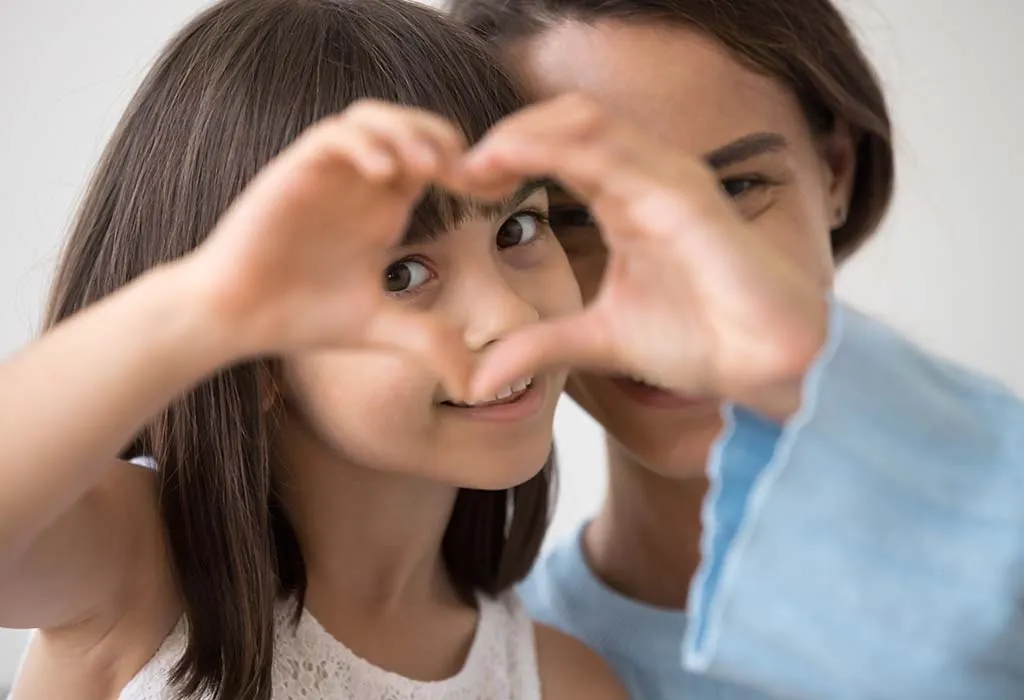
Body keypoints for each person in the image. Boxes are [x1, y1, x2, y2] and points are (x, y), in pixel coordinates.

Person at [0, 1, 630, 698]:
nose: (510, 315)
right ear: (254, 344)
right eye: (402, 274)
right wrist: (200, 311)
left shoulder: (564, 682)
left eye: (517, 230)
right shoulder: (136, 570)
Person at [448, 0, 1024, 698]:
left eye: (733, 188)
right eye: (569, 217)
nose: (670, 296)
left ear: (836, 172)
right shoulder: (492, 675)